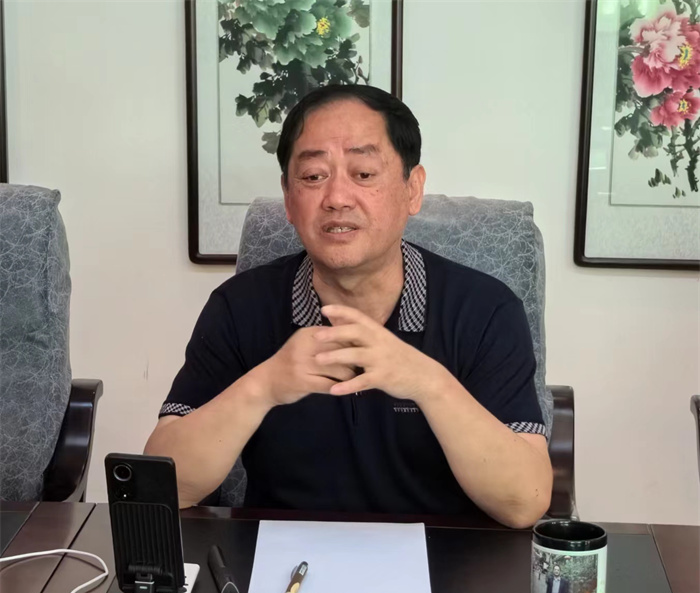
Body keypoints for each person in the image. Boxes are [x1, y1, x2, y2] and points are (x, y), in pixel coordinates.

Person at [144, 84, 552, 528]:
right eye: (313, 176)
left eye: (363, 173)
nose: (337, 197)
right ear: (288, 198)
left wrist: (427, 383)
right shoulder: (240, 307)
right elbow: (165, 486)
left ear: (412, 189)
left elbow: (524, 502)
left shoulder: (485, 311)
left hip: (443, 561)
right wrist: (265, 385)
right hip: (283, 561)